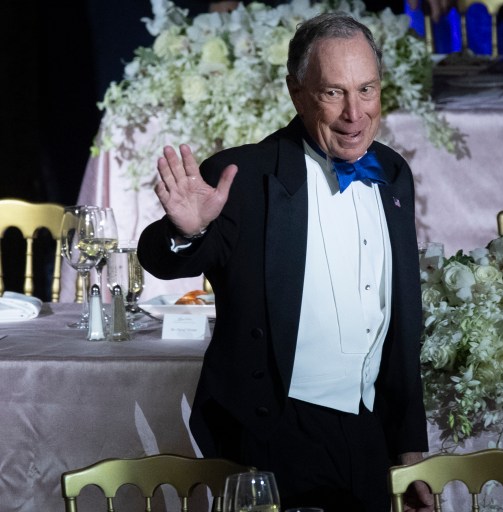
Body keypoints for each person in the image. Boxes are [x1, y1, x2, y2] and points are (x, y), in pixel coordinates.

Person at [138, 12, 433, 512]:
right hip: (274, 436)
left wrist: (410, 453)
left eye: (366, 89)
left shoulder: (393, 173)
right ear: (296, 93)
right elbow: (162, 260)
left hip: (369, 436)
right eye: (333, 93)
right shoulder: (248, 177)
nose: (354, 114)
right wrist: (189, 232)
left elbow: (401, 323)